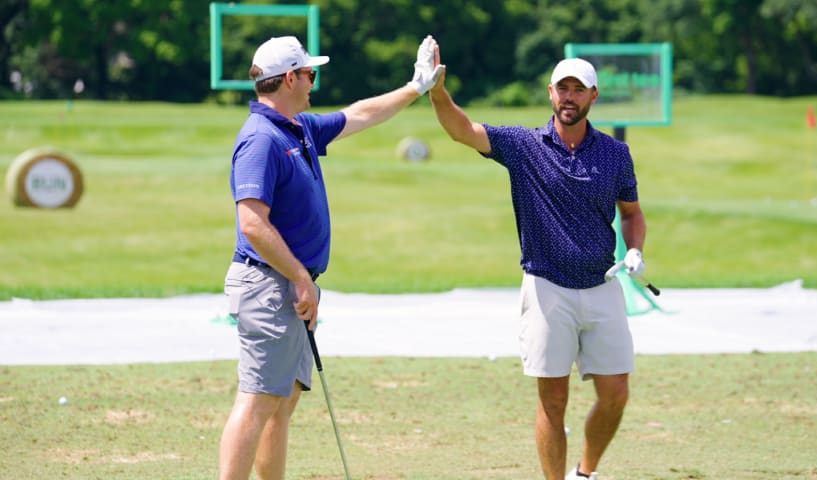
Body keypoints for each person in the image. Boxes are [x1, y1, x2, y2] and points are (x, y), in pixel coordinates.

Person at [219, 35, 443, 480]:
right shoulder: (261, 139)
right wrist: (301, 278)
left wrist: (416, 87)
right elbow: (252, 224)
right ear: (288, 79)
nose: (313, 83)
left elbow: (360, 114)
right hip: (268, 284)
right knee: (259, 398)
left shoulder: (298, 128)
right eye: (309, 74)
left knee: (282, 402)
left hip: (290, 284)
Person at [429, 48, 648, 480]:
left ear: (593, 97)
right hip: (547, 288)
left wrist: (636, 249)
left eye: (578, 90)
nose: (569, 96)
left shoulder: (615, 154)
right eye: (562, 88)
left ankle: (585, 473)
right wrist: (437, 93)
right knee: (553, 401)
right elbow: (463, 130)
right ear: (550, 93)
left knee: (616, 392)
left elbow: (632, 213)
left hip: (602, 285)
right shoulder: (524, 146)